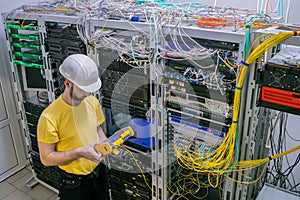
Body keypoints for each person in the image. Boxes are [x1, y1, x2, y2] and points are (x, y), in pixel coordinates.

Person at [37, 54, 109, 200]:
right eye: (83, 89)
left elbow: (97, 129)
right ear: (67, 83)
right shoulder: (49, 117)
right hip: (74, 183)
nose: (87, 93)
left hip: (99, 173)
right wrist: (80, 152)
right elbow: (46, 158)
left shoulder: (91, 101)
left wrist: (105, 143)